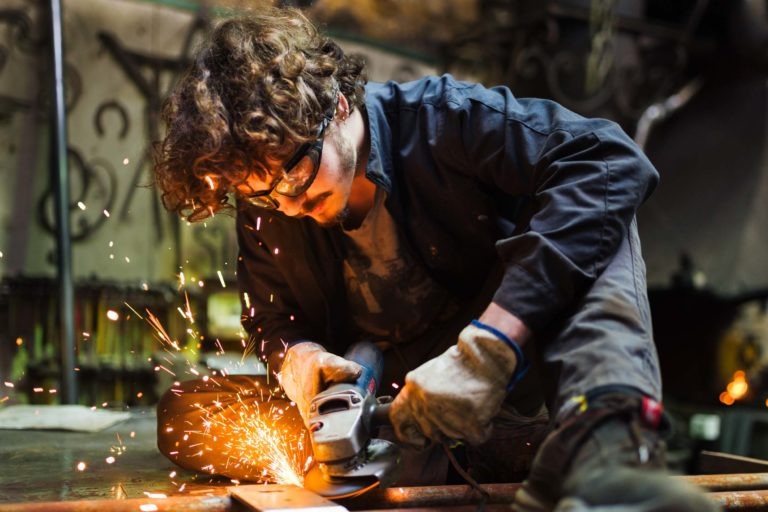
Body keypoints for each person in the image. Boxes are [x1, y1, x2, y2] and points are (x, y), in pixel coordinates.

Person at [153, 7, 719, 511]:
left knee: (597, 216)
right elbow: (272, 317)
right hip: (397, 422)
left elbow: (608, 160)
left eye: (296, 173)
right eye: (262, 193)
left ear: (337, 104)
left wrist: (489, 351)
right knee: (188, 414)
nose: (290, 203)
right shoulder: (273, 205)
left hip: (515, 401)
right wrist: (299, 360)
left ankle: (606, 454)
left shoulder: (444, 118)